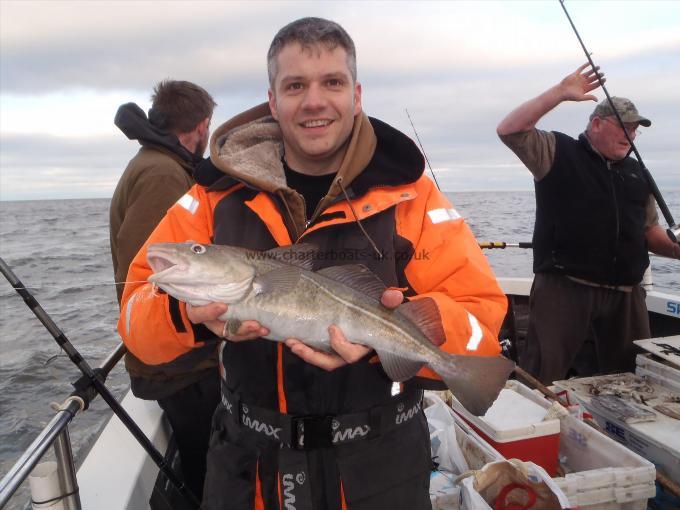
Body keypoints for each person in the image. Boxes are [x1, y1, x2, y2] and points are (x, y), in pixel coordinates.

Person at [119, 18, 507, 510]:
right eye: (295, 85)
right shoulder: (212, 197)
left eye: (333, 82)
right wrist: (185, 314)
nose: (315, 101)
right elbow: (135, 319)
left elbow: (483, 317)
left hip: (381, 465)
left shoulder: (414, 196)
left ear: (357, 94)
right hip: (249, 465)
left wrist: (392, 330)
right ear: (273, 98)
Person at [496, 63, 680, 385]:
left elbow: (648, 233)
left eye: (636, 129)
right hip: (565, 288)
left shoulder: (638, 174)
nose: (632, 135)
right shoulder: (557, 151)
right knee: (541, 377)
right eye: (624, 127)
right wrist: (559, 93)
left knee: (632, 378)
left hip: (625, 293)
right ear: (596, 124)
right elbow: (509, 130)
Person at [109, 79, 217, 500]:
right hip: (178, 364)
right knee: (205, 469)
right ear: (202, 125)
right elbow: (149, 268)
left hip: (182, 355)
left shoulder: (158, 163)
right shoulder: (162, 173)